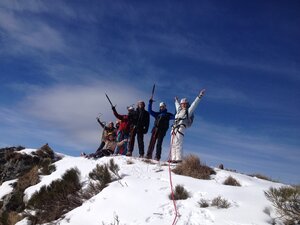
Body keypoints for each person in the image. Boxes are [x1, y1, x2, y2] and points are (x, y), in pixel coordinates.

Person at [170, 89, 206, 163]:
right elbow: (177, 105)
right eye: (182, 103)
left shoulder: (188, 111)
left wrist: (199, 96)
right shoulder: (179, 111)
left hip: (181, 128)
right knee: (173, 143)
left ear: (186, 104)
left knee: (178, 143)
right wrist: (176, 100)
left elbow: (194, 104)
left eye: (184, 103)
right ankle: (173, 158)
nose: (183, 105)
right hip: (174, 128)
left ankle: (178, 159)